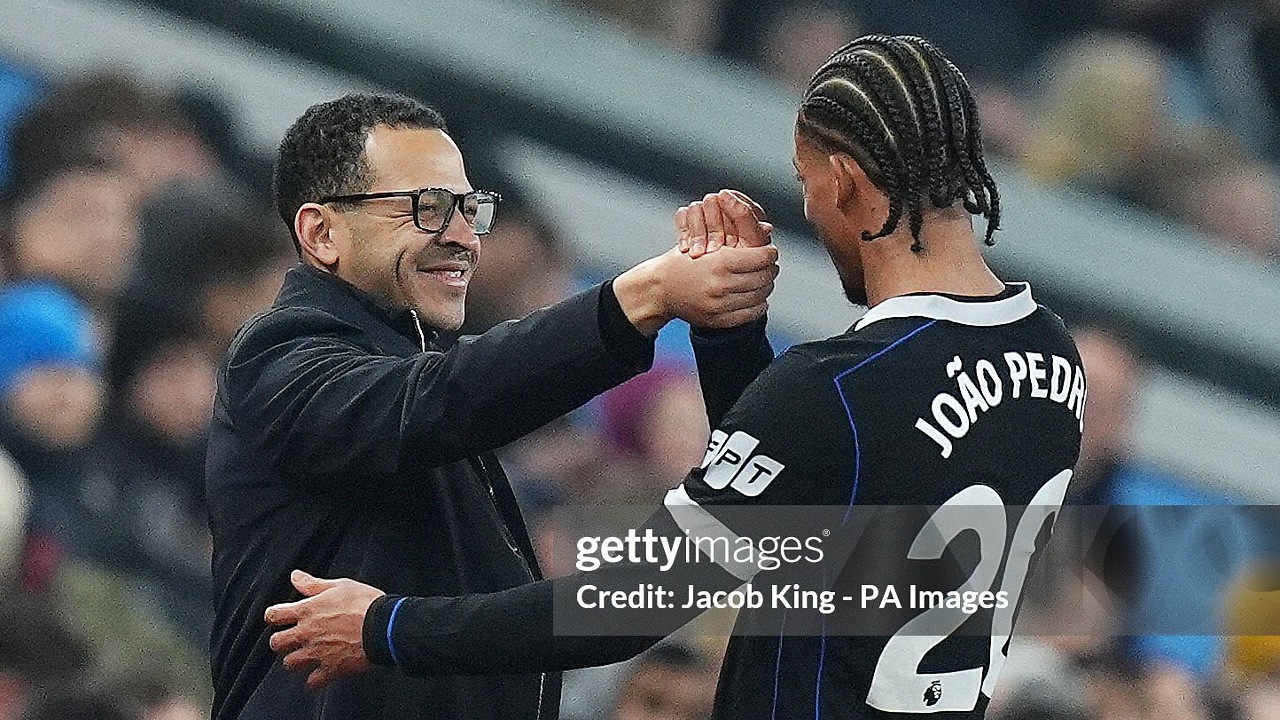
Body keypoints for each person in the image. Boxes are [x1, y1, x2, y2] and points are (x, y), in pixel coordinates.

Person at [263, 37, 1085, 718]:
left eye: (805, 184)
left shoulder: (838, 388)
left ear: (843, 181)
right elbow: (804, 517)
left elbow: (628, 604)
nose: (806, 212)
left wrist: (388, 627)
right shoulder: (1056, 361)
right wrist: (732, 337)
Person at [205, 92, 780, 720]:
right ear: (321, 233)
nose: (462, 238)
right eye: (426, 210)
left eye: (468, 211)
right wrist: (643, 299)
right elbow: (436, 403)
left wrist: (729, 331)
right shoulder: (278, 354)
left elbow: (621, 609)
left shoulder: (437, 394)